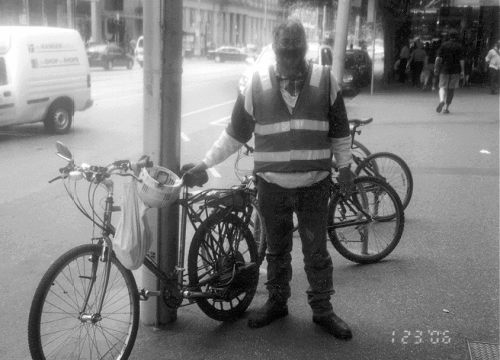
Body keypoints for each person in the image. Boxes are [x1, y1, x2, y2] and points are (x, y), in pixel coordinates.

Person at [184, 18, 354, 340]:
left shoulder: (325, 79)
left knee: (316, 251)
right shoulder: (257, 83)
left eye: (295, 50)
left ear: (304, 49)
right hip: (272, 187)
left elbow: (340, 131)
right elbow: (235, 133)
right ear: (275, 51)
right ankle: (277, 302)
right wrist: (205, 163)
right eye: (284, 51)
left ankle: (322, 310)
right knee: (276, 251)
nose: (290, 57)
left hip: (314, 185)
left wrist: (344, 168)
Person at [434, 30, 465, 114]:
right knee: (451, 89)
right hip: (455, 70)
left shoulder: (444, 45)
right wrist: (462, 71)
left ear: (449, 36)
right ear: (457, 36)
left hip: (444, 69)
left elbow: (438, 58)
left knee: (442, 87)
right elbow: (461, 60)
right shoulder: (459, 47)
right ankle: (446, 108)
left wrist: (436, 67)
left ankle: (441, 100)